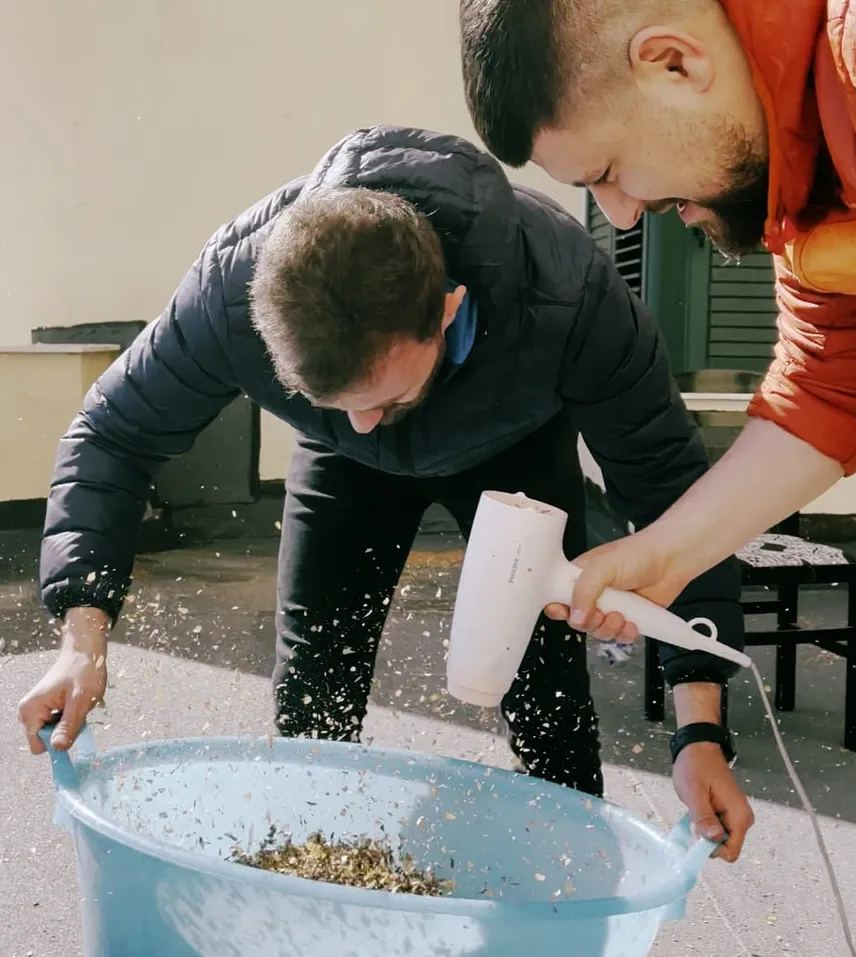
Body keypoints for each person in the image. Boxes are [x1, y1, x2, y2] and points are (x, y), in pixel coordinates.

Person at [17, 126, 755, 860]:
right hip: (341, 462)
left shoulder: (569, 293)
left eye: (382, 397)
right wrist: (81, 643)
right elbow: (110, 435)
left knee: (546, 683)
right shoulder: (227, 296)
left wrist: (700, 728)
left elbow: (673, 493)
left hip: (515, 441)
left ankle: (570, 871)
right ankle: (309, 870)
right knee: (314, 680)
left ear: (447, 309)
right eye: (340, 399)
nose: (369, 421)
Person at [458, 0, 856, 634]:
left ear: (674, 64)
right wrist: (665, 554)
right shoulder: (807, 190)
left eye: (607, 172)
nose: (623, 216)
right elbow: (833, 385)